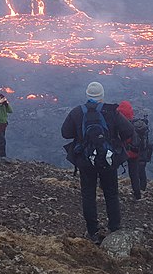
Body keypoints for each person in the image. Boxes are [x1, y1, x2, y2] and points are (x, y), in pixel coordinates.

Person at [61, 81, 133, 244]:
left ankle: (92, 232)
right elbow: (128, 130)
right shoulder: (111, 112)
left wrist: (82, 137)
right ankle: (114, 228)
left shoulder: (77, 112)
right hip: (108, 160)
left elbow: (65, 133)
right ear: (101, 96)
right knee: (111, 193)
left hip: (86, 161)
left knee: (88, 194)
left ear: (87, 95)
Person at [116, 100, 147, 201]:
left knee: (111, 169)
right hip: (134, 153)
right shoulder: (136, 124)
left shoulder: (118, 121)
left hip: (120, 152)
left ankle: (104, 187)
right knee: (134, 174)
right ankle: (137, 194)